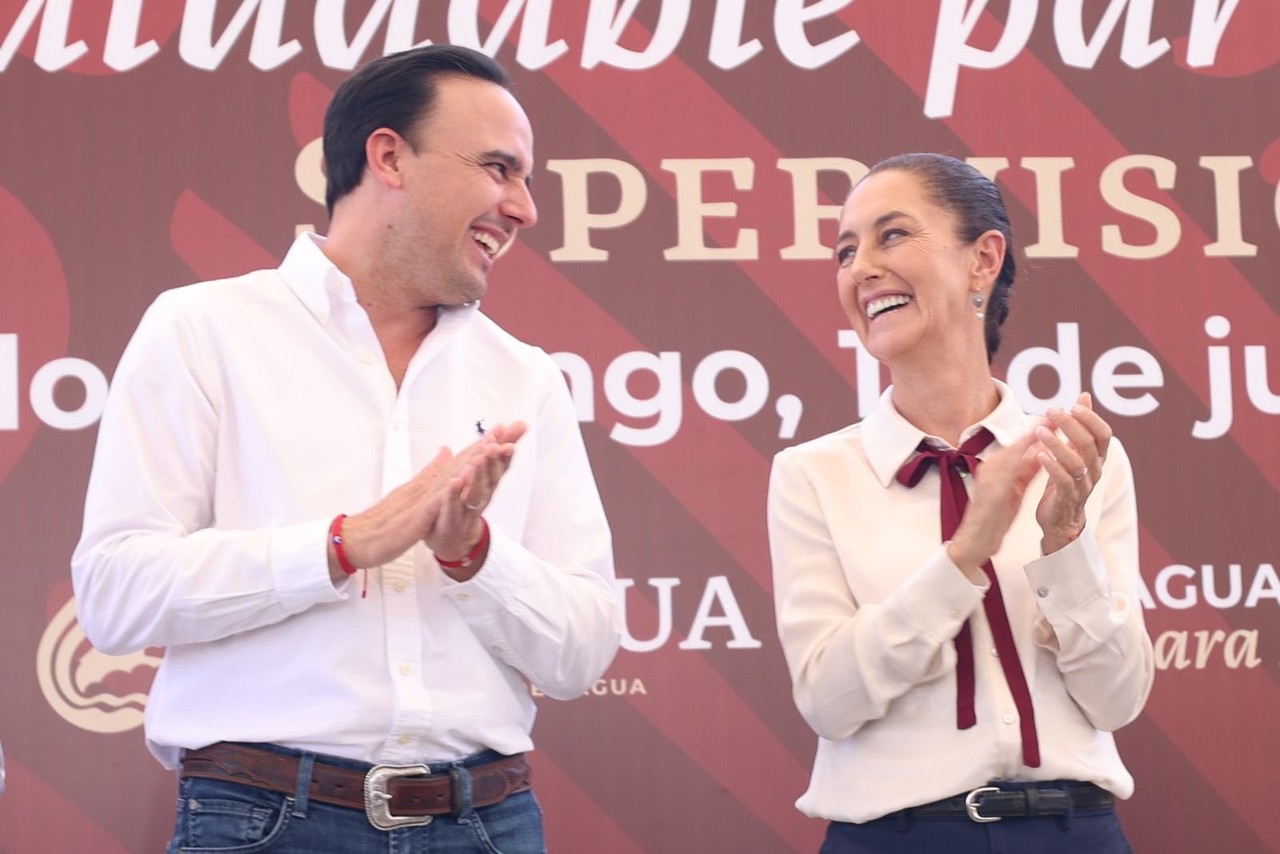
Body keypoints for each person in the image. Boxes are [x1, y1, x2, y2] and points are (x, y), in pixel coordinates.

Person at [72, 45, 620, 853]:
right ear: (389, 155)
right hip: (260, 820)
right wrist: (338, 547)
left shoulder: (525, 378)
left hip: (488, 822)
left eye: (525, 179)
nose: (524, 208)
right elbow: (118, 594)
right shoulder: (204, 330)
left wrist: (473, 555)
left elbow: (581, 652)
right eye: (499, 168)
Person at [767, 153, 1153, 853]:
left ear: (983, 261)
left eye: (892, 236)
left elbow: (1117, 699)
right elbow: (828, 701)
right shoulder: (813, 475)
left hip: (1074, 832)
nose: (861, 269)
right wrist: (962, 555)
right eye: (845, 251)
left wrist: (1065, 545)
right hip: (895, 837)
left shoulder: (1078, 460)